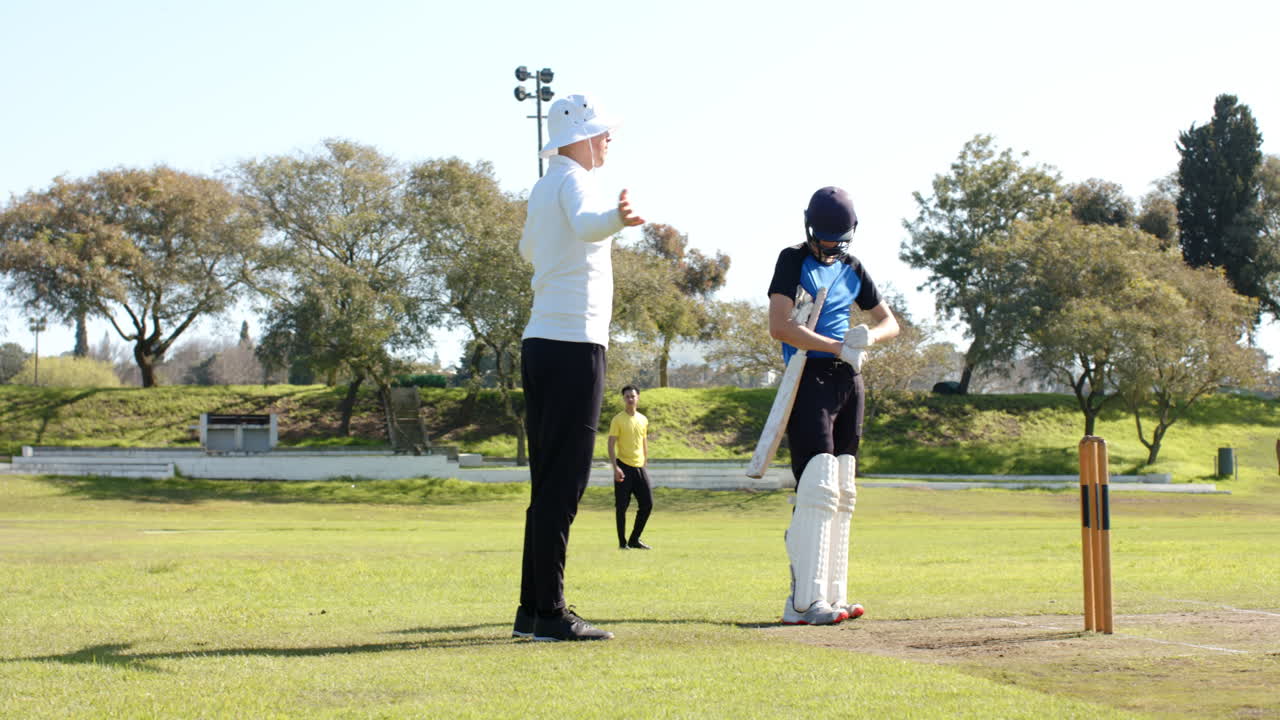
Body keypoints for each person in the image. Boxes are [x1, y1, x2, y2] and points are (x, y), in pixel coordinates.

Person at [511, 94, 645, 643]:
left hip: (542, 343)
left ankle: (530, 611)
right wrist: (618, 217)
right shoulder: (574, 180)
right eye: (602, 132)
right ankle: (551, 613)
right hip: (573, 345)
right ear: (580, 136)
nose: (609, 139)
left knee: (547, 485)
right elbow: (590, 225)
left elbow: (527, 250)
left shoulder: (544, 186)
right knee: (563, 486)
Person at [766, 186, 899, 626]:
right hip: (808, 378)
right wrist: (836, 346)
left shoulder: (854, 267)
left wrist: (867, 339)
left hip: (849, 380)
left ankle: (833, 596)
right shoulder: (792, 260)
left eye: (838, 239)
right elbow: (780, 326)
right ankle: (802, 603)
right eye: (824, 237)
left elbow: (889, 322)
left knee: (843, 487)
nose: (830, 246)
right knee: (817, 485)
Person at [608, 384, 653, 550]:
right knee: (622, 506)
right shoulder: (617, 419)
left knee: (647, 504)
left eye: (633, 396)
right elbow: (611, 444)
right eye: (627, 397)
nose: (630, 399)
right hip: (623, 467)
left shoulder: (643, 419)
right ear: (623, 399)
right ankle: (622, 542)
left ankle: (634, 539)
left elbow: (644, 441)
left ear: (638, 397)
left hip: (639, 467)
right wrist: (615, 468)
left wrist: (645, 460)